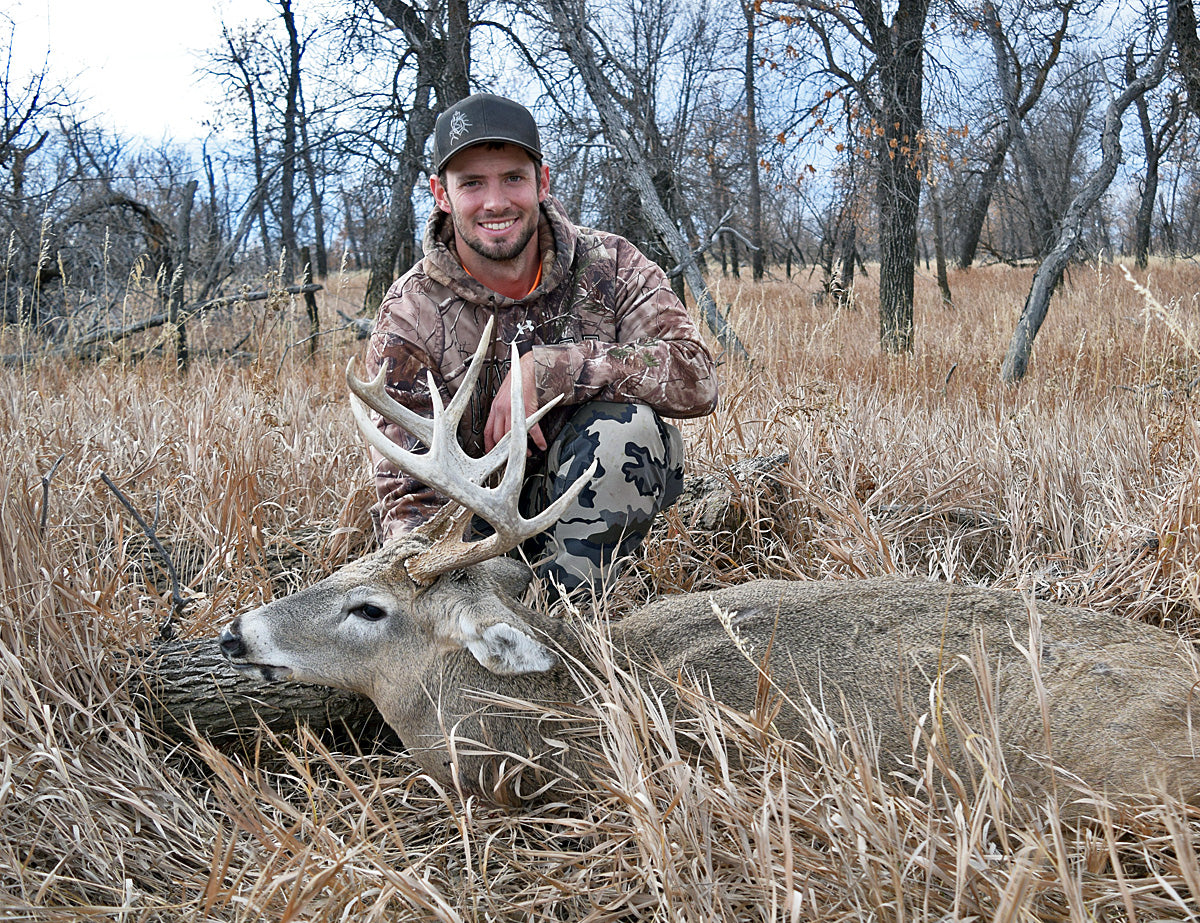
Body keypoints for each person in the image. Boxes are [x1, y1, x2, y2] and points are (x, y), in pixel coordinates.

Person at [364, 93, 718, 596]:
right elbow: (407, 493)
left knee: (627, 430)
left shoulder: (611, 264)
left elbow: (696, 376)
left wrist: (549, 370)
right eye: (472, 184)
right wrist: (430, 583)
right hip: (478, 537)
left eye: (513, 178)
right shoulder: (410, 313)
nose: (495, 202)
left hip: (592, 503)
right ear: (440, 194)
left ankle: (569, 612)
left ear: (542, 182)